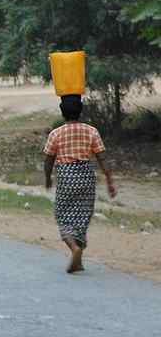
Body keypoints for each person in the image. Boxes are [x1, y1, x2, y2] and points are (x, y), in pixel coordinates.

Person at [44, 95, 117, 274]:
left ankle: (74, 248)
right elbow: (102, 158)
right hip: (86, 176)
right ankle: (79, 261)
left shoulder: (56, 133)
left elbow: (48, 160)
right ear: (81, 111)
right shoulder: (91, 131)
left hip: (66, 176)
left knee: (63, 215)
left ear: (62, 112)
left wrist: (47, 178)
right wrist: (109, 182)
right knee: (83, 215)